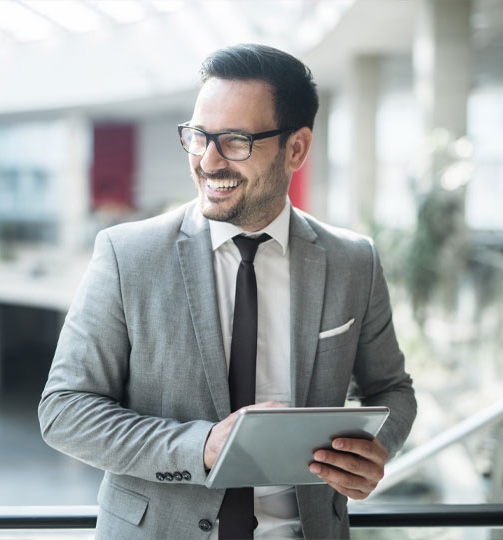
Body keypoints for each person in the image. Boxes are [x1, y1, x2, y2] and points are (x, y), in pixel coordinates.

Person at [39, 43, 417, 540]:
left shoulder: (353, 260)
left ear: (296, 149)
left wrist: (373, 450)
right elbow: (65, 409)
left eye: (235, 140)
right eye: (198, 136)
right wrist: (202, 447)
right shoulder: (126, 254)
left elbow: (392, 390)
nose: (208, 161)